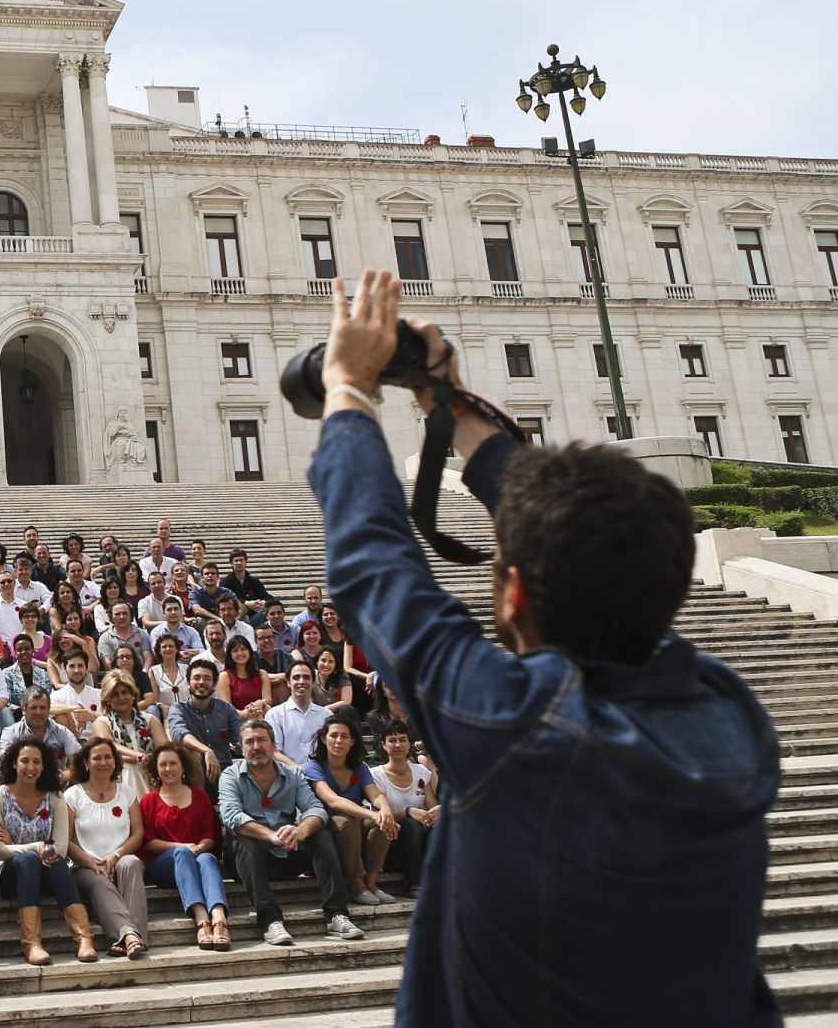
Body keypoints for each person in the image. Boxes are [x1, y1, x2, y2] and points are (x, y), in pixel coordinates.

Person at [312, 270, 781, 1023]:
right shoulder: (730, 714)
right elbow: (593, 540)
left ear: (515, 595)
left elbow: (373, 563)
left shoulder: (517, 728)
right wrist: (451, 404)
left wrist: (347, 388)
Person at [217, 718, 361, 945]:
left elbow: (316, 809)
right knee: (243, 838)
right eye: (249, 742)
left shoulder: (293, 775)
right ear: (241, 748)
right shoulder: (230, 776)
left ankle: (337, 914)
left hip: (288, 853)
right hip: (251, 861)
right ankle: (269, 920)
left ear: (274, 744)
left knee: (320, 833)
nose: (256, 747)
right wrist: (270, 835)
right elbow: (231, 815)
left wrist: (301, 830)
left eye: (262, 740)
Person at [0, 738, 96, 964]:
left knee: (55, 861)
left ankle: (84, 939)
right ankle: (32, 943)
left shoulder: (54, 797)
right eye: (25, 761)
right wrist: (37, 846)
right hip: (8, 874)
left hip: (49, 871)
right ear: (14, 764)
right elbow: (2, 851)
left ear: (44, 766)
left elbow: (61, 849)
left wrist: (16, 842)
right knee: (29, 860)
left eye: (37, 762)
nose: (31, 767)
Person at [139, 740, 230, 951]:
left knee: (207, 858)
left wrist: (199, 848)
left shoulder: (199, 796)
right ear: (156, 769)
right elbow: (148, 842)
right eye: (163, 765)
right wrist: (181, 846)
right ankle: (201, 917)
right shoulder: (149, 801)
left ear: (183, 767)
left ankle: (218, 917)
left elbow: (210, 834)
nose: (168, 769)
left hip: (199, 857)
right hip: (164, 866)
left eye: (173, 763)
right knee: (181, 852)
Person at [64, 737, 150, 959]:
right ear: (85, 763)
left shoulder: (127, 793)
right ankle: (131, 934)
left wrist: (116, 855)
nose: (103, 762)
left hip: (119, 859)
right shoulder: (73, 795)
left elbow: (138, 833)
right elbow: (66, 841)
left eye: (108, 757)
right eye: (97, 758)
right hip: (84, 866)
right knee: (98, 878)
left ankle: (129, 937)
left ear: (115, 761)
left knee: (132, 863)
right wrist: (92, 862)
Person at [303, 714, 398, 909]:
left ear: (352, 741)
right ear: (324, 738)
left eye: (344, 736)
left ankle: (371, 882)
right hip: (327, 822)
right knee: (348, 821)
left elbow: (375, 794)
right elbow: (333, 801)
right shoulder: (314, 767)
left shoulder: (360, 767)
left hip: (356, 818)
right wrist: (373, 813)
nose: (339, 741)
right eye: (334, 735)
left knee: (381, 823)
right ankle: (356, 884)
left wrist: (385, 810)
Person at [369, 719, 436, 896]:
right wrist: (408, 811)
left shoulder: (421, 772)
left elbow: (432, 807)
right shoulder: (375, 775)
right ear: (383, 745)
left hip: (421, 839)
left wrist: (437, 812)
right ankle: (416, 883)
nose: (398, 744)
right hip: (392, 841)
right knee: (410, 824)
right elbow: (379, 815)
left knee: (437, 829)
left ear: (409, 744)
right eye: (392, 740)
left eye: (403, 739)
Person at [167, 657, 242, 794]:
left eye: (207, 678)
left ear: (214, 684)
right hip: (190, 774)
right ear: (189, 683)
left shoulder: (226, 709)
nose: (201, 682)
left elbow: (240, 737)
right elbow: (180, 734)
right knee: (193, 754)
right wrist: (207, 751)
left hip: (224, 771)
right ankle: (200, 806)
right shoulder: (178, 709)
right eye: (197, 678)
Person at [91, 669, 166, 804]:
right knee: (130, 768)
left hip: (150, 769)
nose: (121, 697)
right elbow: (110, 746)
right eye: (115, 694)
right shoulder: (102, 722)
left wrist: (145, 759)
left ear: (133, 694)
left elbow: (164, 747)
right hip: (119, 773)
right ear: (108, 699)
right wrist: (138, 756)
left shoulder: (150, 719)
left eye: (125, 692)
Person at [0, 687, 79, 779]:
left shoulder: (62, 732)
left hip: (54, 786)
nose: (38, 712)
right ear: (23, 710)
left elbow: (81, 760)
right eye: (33, 708)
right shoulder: (11, 733)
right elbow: (4, 762)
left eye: (42, 708)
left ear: (49, 710)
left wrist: (67, 774)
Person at [263, 662, 332, 766]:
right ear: (288, 682)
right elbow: (274, 752)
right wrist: (299, 770)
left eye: (306, 677)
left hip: (322, 775)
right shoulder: (275, 715)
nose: (301, 681)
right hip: (289, 776)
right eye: (296, 677)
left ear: (313, 682)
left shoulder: (326, 715)